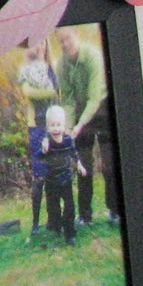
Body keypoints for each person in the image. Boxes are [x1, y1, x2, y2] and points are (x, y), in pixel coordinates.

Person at [56, 25, 119, 225]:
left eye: (68, 38)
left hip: (101, 108)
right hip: (79, 112)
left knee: (109, 162)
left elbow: (93, 98)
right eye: (61, 41)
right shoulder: (61, 64)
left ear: (76, 35)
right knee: (83, 164)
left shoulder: (93, 56)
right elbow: (67, 99)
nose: (65, 44)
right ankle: (85, 215)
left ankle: (115, 210)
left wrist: (80, 125)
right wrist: (68, 125)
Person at [16, 37, 59, 237]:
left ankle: (53, 221)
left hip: (53, 126)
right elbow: (30, 93)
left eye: (43, 42)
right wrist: (50, 91)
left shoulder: (51, 68)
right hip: (36, 127)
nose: (40, 46)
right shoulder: (26, 70)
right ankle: (34, 223)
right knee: (39, 176)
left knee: (54, 176)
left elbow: (58, 94)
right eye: (36, 42)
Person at [41, 104, 88, 245]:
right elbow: (41, 153)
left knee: (69, 206)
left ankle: (70, 233)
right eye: (52, 125)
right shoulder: (47, 141)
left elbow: (74, 153)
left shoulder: (67, 140)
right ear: (48, 127)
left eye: (58, 125)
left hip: (65, 179)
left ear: (64, 125)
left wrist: (80, 165)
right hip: (51, 181)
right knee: (53, 207)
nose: (56, 128)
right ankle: (56, 225)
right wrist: (44, 145)